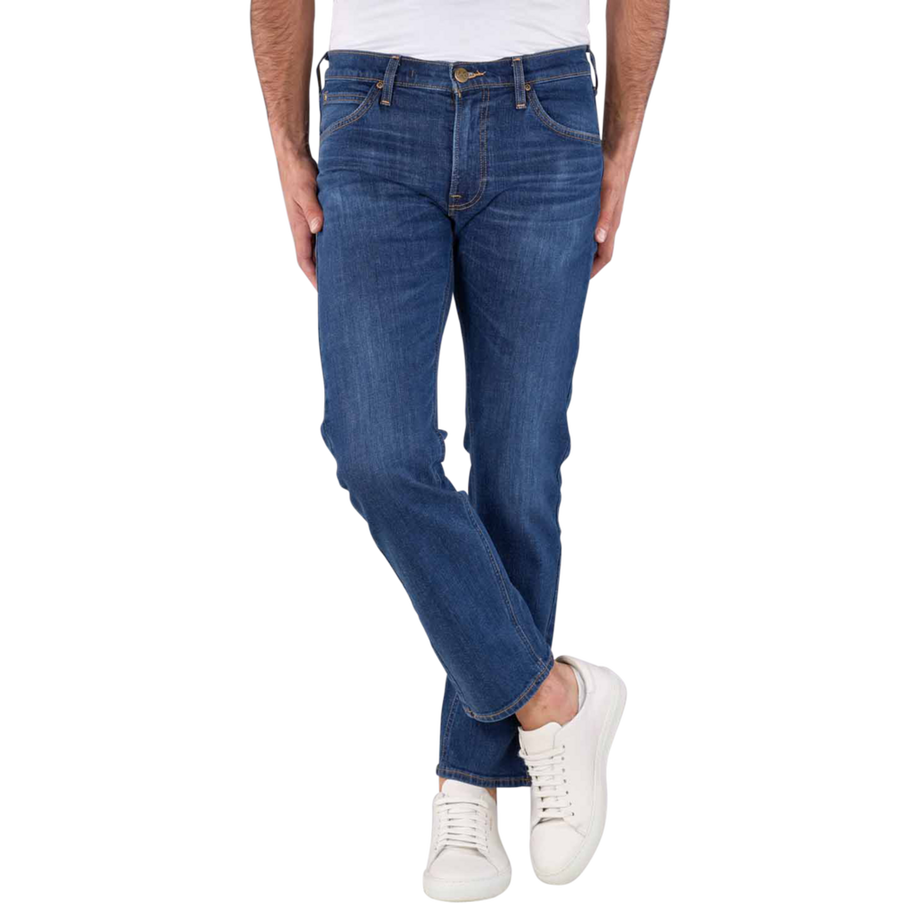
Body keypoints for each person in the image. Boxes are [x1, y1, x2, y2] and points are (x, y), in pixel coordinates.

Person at [249, 0, 670, 902]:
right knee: (374, 448)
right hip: (371, 103)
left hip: (545, 103)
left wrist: (623, 145)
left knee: (519, 469)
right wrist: (285, 142)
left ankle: (467, 784)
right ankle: (554, 700)